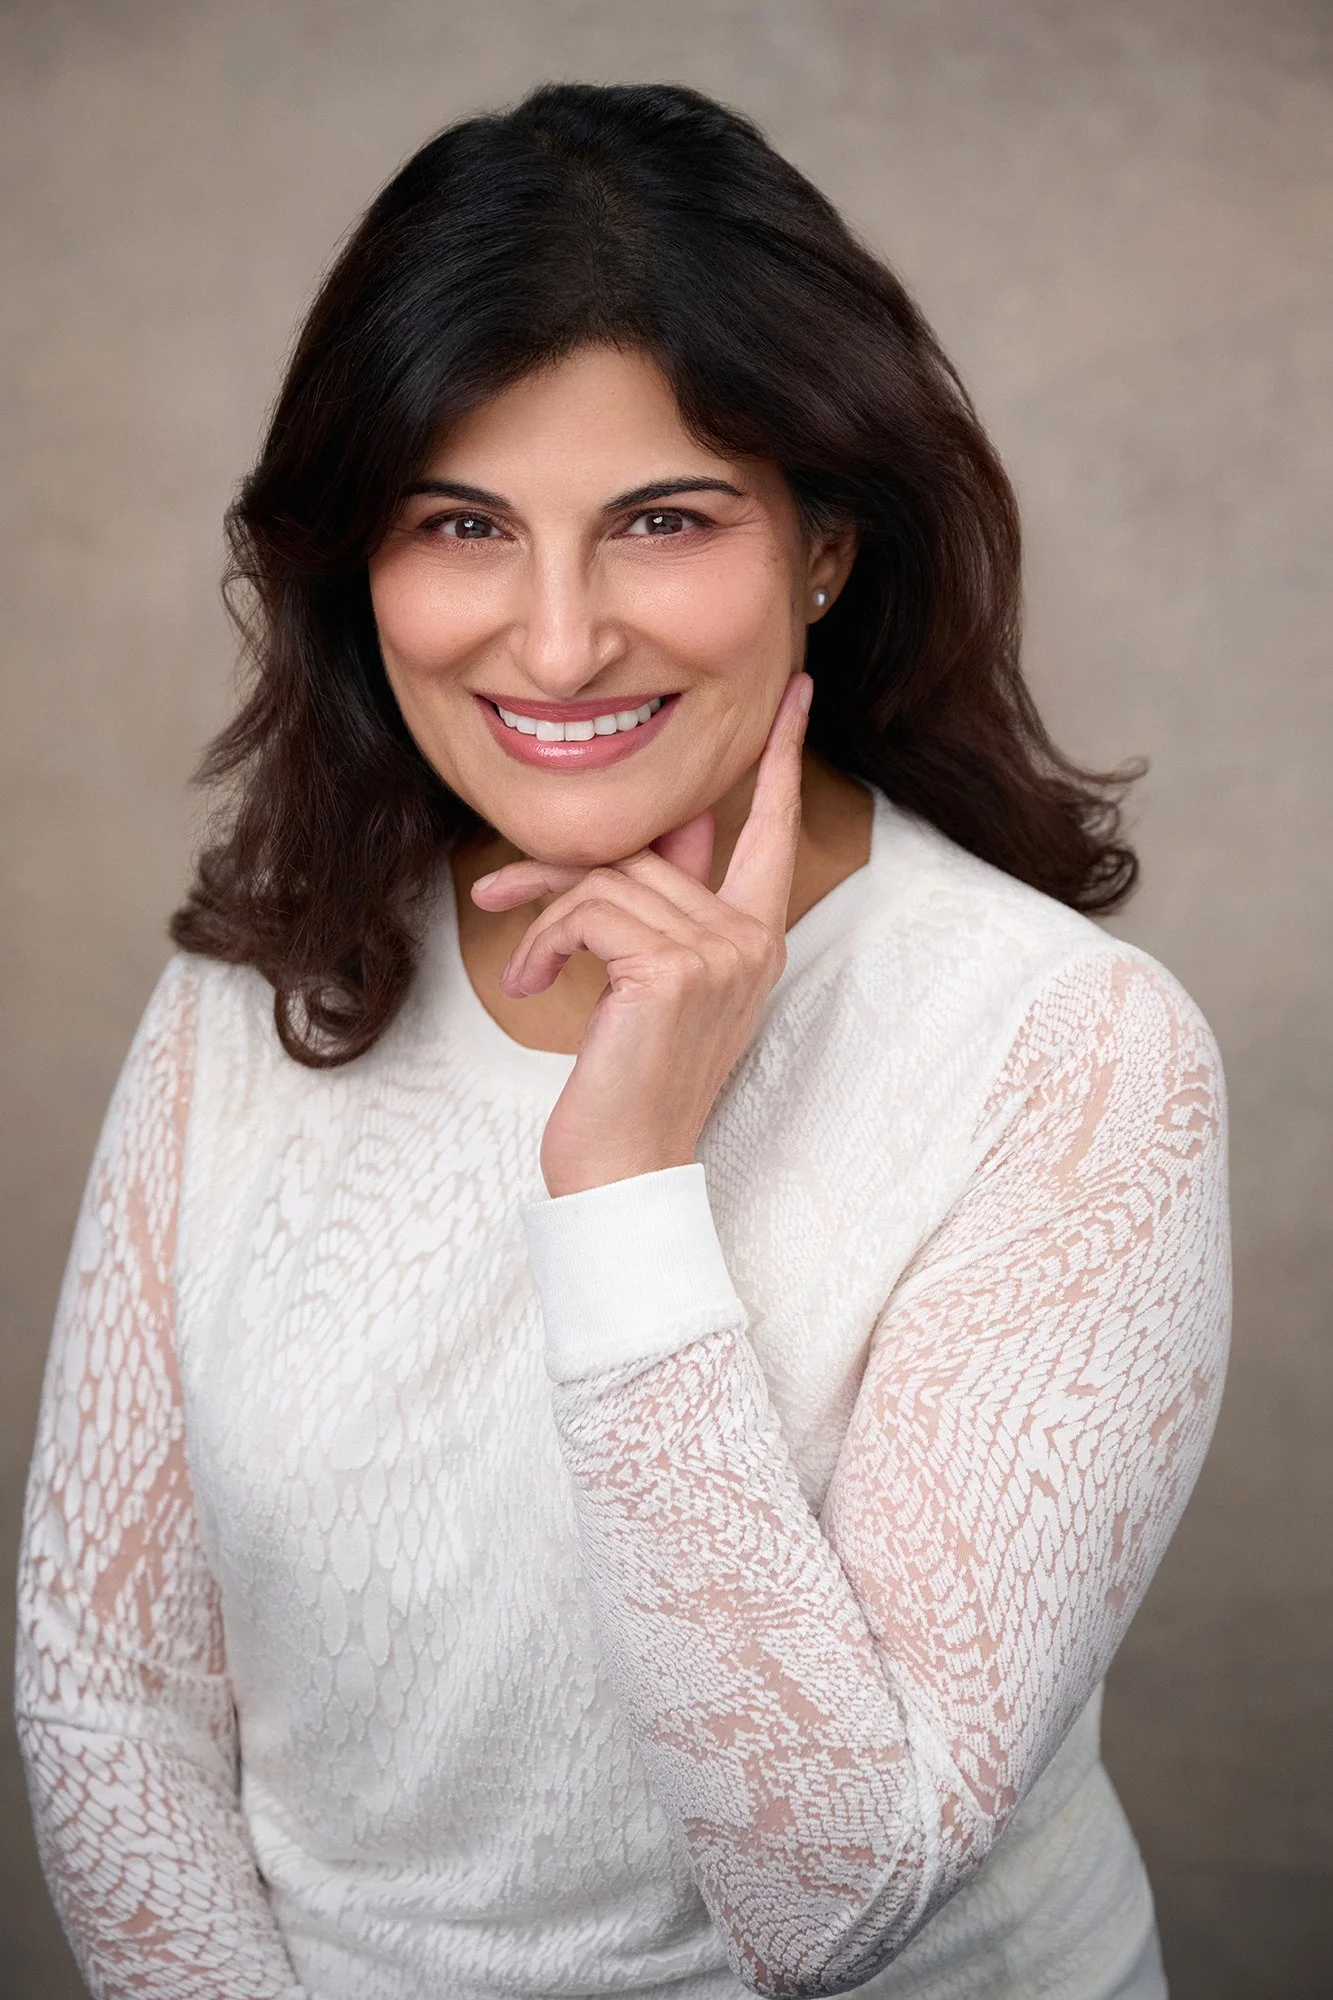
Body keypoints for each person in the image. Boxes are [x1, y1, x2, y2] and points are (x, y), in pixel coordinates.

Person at [15, 81, 1230, 2000]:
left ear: (827, 542)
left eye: (664, 521)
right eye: (462, 523)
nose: (559, 642)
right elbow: (104, 1694)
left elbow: (832, 1892)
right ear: (359, 562)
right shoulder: (256, 988)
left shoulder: (1073, 1055)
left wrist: (628, 1189)